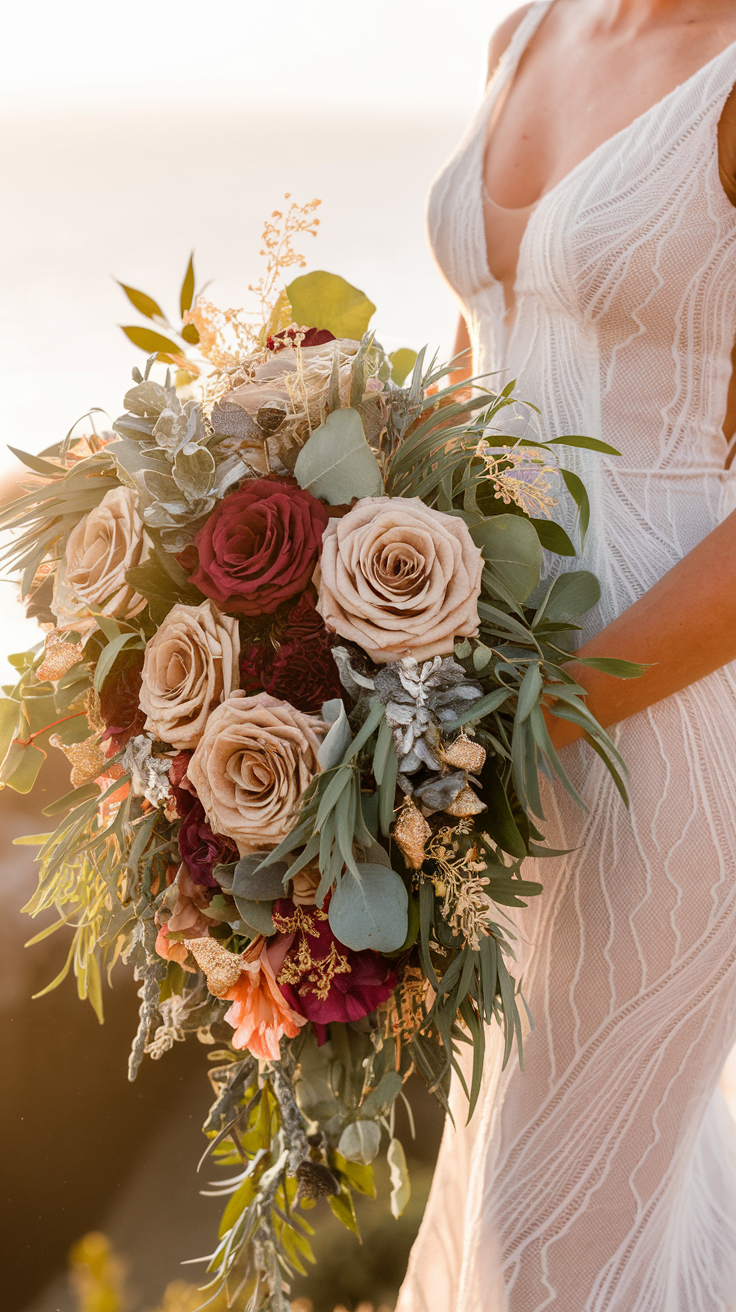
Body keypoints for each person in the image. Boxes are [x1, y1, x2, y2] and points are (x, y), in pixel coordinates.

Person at [395, 2, 736, 1308]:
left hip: (664, 719)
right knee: (543, 1212)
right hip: (486, 706)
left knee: (547, 1245)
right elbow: (495, 360)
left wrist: (553, 716)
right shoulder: (527, 33)